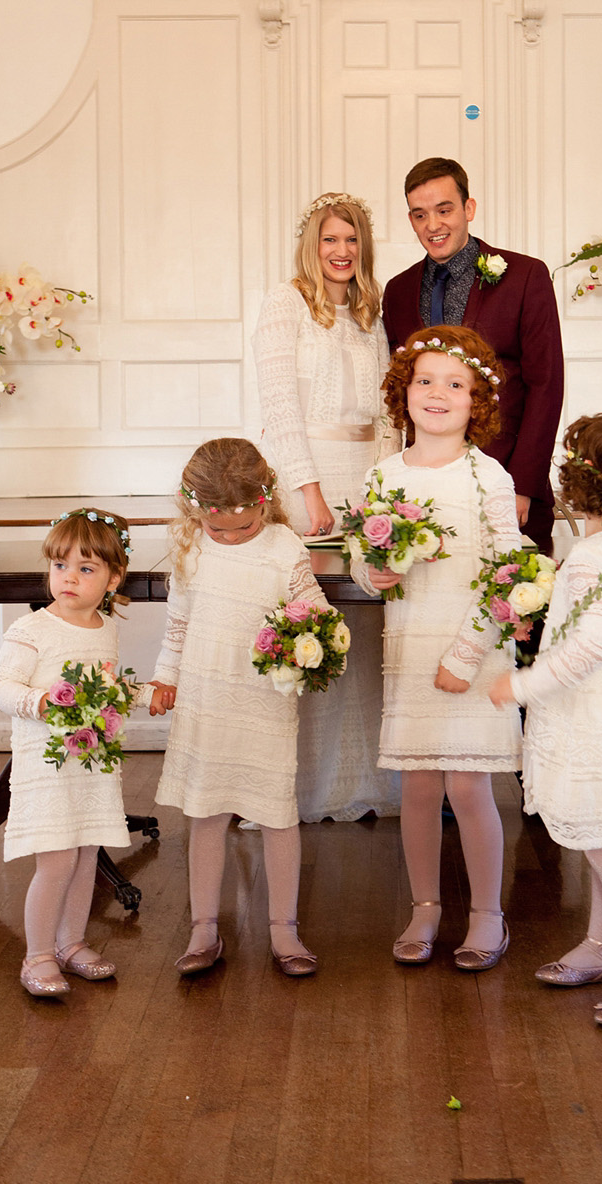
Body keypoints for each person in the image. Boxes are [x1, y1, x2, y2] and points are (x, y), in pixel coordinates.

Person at [489, 413, 602, 1027]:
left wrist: (521, 683)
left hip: (592, 725)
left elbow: (591, 647)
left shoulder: (593, 556)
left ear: (576, 483)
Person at [352, 325, 526, 971]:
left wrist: (465, 654)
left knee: (470, 786)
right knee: (419, 787)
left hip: (470, 655)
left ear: (476, 399)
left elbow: (510, 576)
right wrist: (377, 574)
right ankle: (425, 906)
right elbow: (363, 560)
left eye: (455, 384)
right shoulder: (384, 475)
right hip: (411, 648)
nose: (438, 393)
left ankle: (487, 914)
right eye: (425, 380)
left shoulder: (489, 477)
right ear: (404, 391)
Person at [149, 437, 329, 977]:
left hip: (262, 701)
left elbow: (312, 606)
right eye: (217, 527)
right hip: (206, 698)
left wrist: (321, 635)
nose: (229, 536)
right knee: (206, 814)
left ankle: (284, 929)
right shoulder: (191, 550)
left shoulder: (283, 548)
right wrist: (164, 677)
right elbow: (178, 624)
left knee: (276, 813)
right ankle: (204, 927)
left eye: (242, 527)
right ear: (194, 510)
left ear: (266, 499)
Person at [252, 192, 400, 823]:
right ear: (310, 246)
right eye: (328, 240)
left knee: (368, 628)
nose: (341, 252)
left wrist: (389, 492)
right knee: (307, 628)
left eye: (351, 240)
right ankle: (295, 787)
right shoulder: (285, 304)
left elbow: (393, 411)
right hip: (305, 480)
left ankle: (364, 782)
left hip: (367, 479)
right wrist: (307, 489)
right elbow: (280, 408)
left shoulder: (371, 312)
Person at [0, 508, 138, 998]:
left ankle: (71, 944)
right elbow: (0, 688)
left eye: (86, 569)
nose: (68, 578)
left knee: (85, 852)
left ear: (114, 578)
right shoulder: (32, 629)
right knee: (56, 861)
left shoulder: (105, 628)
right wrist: (40, 701)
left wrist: (136, 695)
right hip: (49, 766)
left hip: (92, 765)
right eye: (59, 566)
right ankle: (37, 956)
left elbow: (105, 688)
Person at [382, 157, 563, 554]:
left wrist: (522, 485)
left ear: (469, 209)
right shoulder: (397, 291)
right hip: (425, 493)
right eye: (420, 214)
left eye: (444, 210)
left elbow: (546, 386)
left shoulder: (526, 276)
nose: (433, 225)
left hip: (507, 480)